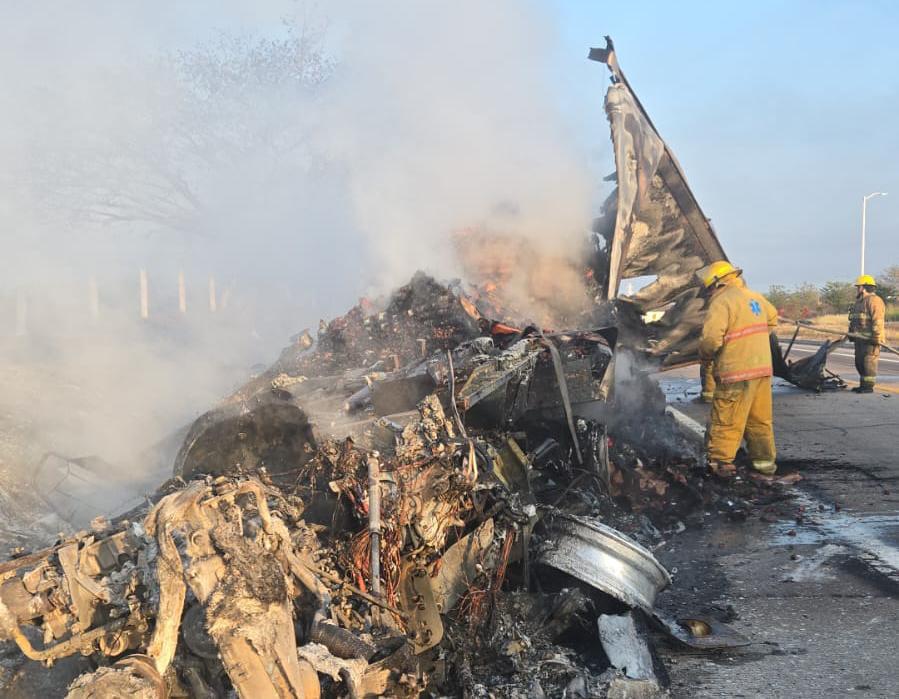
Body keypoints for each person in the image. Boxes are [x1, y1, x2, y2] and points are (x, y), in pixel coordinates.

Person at [698, 261, 779, 476]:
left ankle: (721, 465)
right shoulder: (754, 296)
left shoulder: (721, 301)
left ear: (716, 284)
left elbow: (710, 339)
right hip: (762, 369)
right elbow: (772, 319)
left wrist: (705, 357)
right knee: (760, 420)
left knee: (726, 419)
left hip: (736, 371)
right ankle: (765, 465)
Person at [847, 274, 885, 393]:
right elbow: (854, 320)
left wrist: (876, 337)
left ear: (864, 288)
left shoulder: (875, 301)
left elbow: (877, 320)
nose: (857, 289)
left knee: (868, 363)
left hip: (870, 340)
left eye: (858, 287)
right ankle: (863, 385)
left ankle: (868, 387)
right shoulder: (859, 302)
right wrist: (851, 333)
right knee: (859, 363)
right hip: (859, 339)